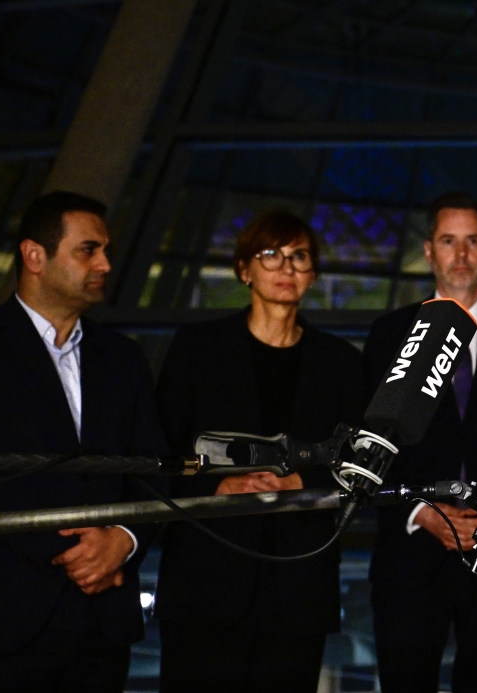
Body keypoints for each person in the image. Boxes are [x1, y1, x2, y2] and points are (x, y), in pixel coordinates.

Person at [0, 191, 168, 692]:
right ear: (35, 256)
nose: (105, 263)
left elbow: (153, 472)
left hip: (102, 624)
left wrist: (123, 539)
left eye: (106, 250)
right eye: (88, 249)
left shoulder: (123, 359)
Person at [155, 209, 364, 693]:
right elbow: (160, 448)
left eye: (299, 256)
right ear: (244, 268)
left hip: (298, 583)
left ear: (312, 276)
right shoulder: (198, 349)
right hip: (206, 577)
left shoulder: (340, 364)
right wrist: (219, 484)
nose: (286, 267)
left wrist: (300, 484)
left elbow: (358, 460)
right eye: (271, 255)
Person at [363, 192, 477, 693]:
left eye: (472, 241)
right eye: (448, 241)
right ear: (429, 252)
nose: (461, 255)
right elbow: (368, 445)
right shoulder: (390, 335)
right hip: (408, 558)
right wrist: (420, 511)